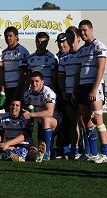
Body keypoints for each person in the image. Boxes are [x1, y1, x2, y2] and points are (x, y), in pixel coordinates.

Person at [75, 20, 107, 163]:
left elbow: (101, 68)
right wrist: (76, 89)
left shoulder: (99, 46)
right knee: (86, 120)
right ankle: (93, 153)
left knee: (98, 120)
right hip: (82, 86)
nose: (82, 33)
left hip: (95, 87)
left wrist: (94, 89)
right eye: (80, 31)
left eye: (85, 30)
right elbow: (78, 71)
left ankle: (105, 153)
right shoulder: (81, 50)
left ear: (91, 29)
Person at [22, 71, 59, 161]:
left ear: (42, 82)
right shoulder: (27, 94)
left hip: (54, 121)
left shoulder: (48, 92)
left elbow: (49, 112)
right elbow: (27, 113)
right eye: (32, 81)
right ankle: (62, 150)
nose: (34, 84)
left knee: (46, 119)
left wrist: (30, 114)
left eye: (37, 81)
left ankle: (47, 154)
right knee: (41, 149)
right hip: (40, 125)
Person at [58, 27, 82, 159]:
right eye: (68, 38)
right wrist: (63, 92)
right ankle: (75, 149)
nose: (70, 40)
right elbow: (61, 76)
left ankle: (89, 150)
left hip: (80, 93)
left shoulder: (84, 53)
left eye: (72, 37)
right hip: (68, 94)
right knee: (72, 123)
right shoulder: (64, 58)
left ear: (78, 37)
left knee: (85, 123)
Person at [1, 26, 30, 109]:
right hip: (6, 88)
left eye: (10, 36)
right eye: (6, 36)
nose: (8, 38)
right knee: (8, 111)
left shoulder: (22, 51)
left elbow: (23, 72)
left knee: (17, 112)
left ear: (16, 37)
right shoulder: (4, 52)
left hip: (17, 88)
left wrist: (18, 90)